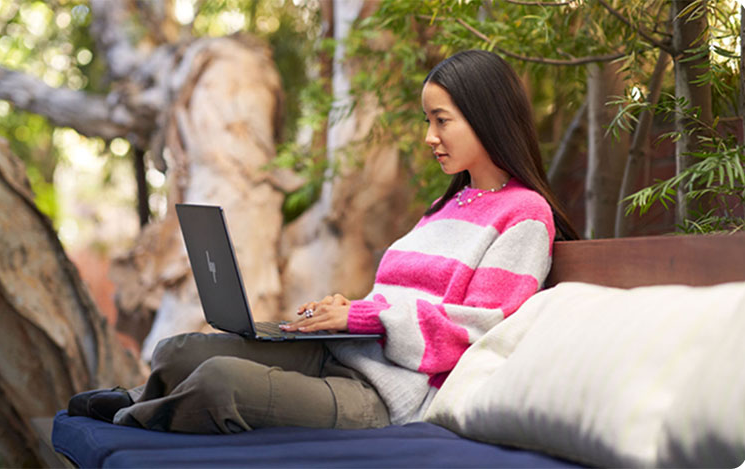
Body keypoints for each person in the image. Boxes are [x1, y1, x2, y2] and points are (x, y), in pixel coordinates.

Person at [68, 49, 579, 434]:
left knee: (218, 381)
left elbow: (473, 333)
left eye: (441, 120)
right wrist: (346, 310)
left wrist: (361, 317)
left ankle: (131, 416)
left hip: (384, 395)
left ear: (486, 116)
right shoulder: (449, 205)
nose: (429, 136)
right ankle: (139, 397)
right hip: (347, 353)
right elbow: (397, 303)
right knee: (179, 350)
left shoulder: (524, 216)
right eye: (428, 120)